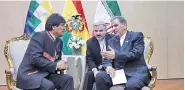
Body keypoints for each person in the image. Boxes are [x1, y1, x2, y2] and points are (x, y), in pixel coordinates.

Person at [16, 13, 74, 90]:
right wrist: (56, 65)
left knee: (67, 79)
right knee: (48, 86)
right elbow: (35, 59)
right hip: (31, 73)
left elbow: (56, 60)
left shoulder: (59, 41)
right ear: (53, 27)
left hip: (46, 73)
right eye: (62, 25)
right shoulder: (39, 36)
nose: (64, 28)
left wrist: (61, 65)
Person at [96, 16, 151, 90]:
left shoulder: (136, 36)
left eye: (116, 25)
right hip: (118, 74)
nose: (113, 29)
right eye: (112, 26)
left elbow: (136, 54)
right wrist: (109, 67)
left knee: (130, 86)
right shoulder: (111, 41)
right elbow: (107, 59)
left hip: (135, 73)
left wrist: (116, 55)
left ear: (124, 25)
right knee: (100, 76)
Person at [83, 21, 114, 90]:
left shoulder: (113, 39)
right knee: (89, 74)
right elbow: (89, 59)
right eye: (96, 31)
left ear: (106, 31)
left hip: (111, 68)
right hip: (97, 68)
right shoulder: (90, 42)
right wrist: (95, 70)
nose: (98, 33)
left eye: (101, 31)